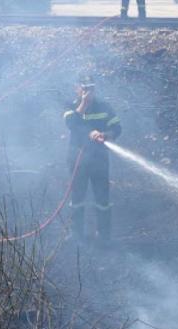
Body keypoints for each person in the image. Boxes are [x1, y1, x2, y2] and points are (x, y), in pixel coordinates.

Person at [63, 75, 121, 244]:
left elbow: (117, 128)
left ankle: (104, 236)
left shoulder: (105, 107)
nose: (88, 92)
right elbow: (72, 123)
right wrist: (83, 104)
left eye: (91, 88)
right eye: (85, 88)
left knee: (102, 199)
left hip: (99, 160)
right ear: (77, 88)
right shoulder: (71, 106)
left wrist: (106, 135)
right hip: (77, 160)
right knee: (77, 197)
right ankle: (76, 235)